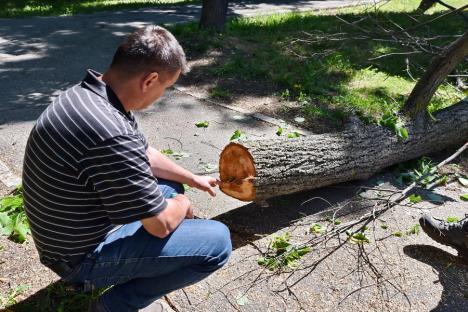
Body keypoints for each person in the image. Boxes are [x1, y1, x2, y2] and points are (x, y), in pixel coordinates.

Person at [22, 25, 232, 312]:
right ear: (150, 80)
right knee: (217, 243)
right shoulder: (110, 133)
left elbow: (145, 155)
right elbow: (160, 226)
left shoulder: (92, 94)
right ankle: (113, 305)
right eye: (165, 88)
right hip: (78, 259)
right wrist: (181, 205)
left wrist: (193, 179)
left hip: (66, 234)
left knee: (172, 186)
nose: (161, 96)